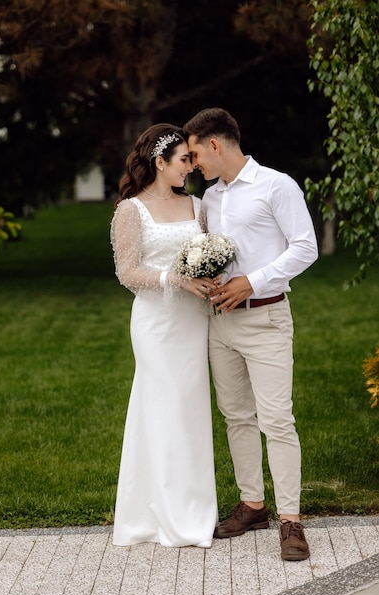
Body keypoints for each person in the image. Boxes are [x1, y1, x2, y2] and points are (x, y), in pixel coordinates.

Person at [183, 108, 318, 561]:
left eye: (197, 152)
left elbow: (306, 247)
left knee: (277, 420)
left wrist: (252, 282)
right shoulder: (211, 199)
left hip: (266, 319)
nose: (194, 162)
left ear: (216, 145)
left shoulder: (277, 185)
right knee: (236, 416)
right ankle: (253, 504)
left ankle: (291, 520)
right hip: (220, 323)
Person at [110, 123, 218, 548]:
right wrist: (173, 278)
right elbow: (127, 271)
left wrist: (209, 275)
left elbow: (210, 250)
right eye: (184, 161)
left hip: (195, 319)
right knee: (161, 406)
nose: (190, 168)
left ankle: (192, 509)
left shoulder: (198, 206)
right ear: (160, 162)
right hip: (156, 322)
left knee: (191, 407)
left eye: (192, 160)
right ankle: (154, 513)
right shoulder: (131, 210)